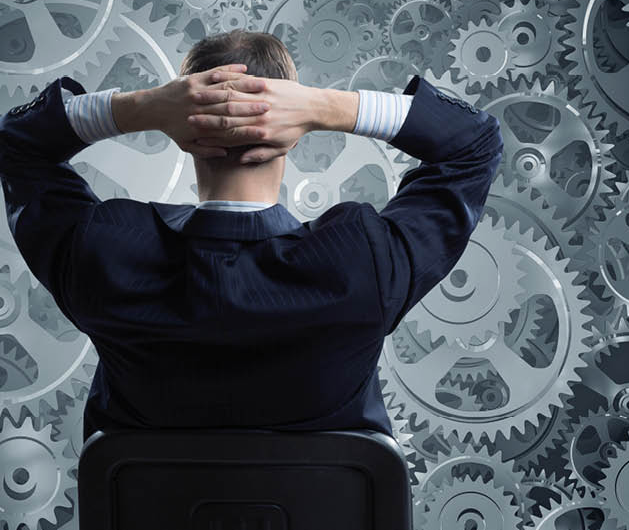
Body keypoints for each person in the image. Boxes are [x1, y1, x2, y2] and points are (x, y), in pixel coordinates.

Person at [0, 29, 503, 443]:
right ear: (292, 131)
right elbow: (475, 143)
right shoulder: (361, 262)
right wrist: (325, 107)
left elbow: (17, 146)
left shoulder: (107, 251)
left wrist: (145, 107)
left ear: (185, 134)